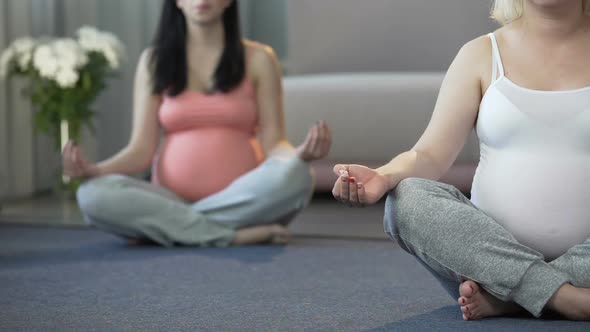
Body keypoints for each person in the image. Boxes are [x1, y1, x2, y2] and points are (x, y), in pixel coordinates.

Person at [332, 0, 590, 321]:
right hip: (484, 261)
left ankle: (513, 297)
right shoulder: (481, 53)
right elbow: (429, 155)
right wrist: (383, 176)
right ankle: (567, 299)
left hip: (574, 261)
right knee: (406, 199)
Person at [63, 0, 331, 247]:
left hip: (245, 200)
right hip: (170, 200)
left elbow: (274, 143)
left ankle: (178, 228)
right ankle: (229, 234)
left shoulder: (260, 58)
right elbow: (140, 150)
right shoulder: (153, 61)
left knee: (299, 175)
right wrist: (95, 171)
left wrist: (297, 156)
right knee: (92, 194)